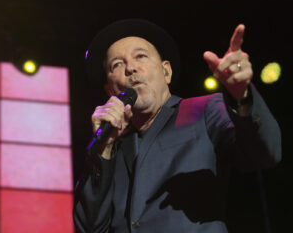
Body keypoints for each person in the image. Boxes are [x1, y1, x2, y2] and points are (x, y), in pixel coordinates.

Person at [73, 19, 281, 233]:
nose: (130, 68)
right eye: (116, 64)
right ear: (109, 90)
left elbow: (263, 153)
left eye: (140, 56)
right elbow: (88, 228)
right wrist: (104, 148)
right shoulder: (110, 148)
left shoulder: (204, 110)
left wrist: (242, 98)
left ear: (166, 72)